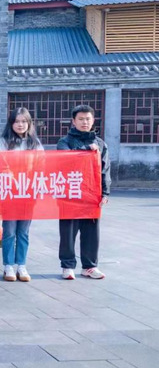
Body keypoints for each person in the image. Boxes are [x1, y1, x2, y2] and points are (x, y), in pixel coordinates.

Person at [56, 104, 111, 280]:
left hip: (91, 194)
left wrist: (105, 193)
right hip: (70, 194)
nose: (84, 122)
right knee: (68, 232)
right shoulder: (64, 142)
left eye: (88, 119)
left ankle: (89, 266)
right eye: (80, 119)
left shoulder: (100, 144)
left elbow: (105, 170)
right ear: (73, 121)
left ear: (93, 120)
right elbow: (67, 160)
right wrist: (87, 151)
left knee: (91, 232)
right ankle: (67, 266)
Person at [0, 107, 43, 283]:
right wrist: (11, 178)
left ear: (29, 123)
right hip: (10, 192)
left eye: (24, 121)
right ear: (11, 123)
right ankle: (8, 265)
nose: (20, 125)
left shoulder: (35, 144)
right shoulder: (4, 142)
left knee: (23, 231)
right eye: (17, 121)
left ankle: (21, 265)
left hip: (28, 192)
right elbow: (0, 163)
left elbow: (41, 165)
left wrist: (32, 183)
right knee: (9, 230)